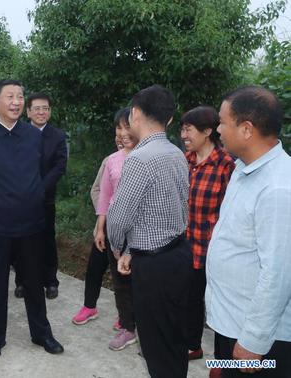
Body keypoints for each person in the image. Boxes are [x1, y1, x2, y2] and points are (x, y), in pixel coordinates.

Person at [0, 79, 63, 360]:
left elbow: (41, 173)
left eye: (20, 96)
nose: (17, 102)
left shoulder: (33, 136)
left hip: (31, 222)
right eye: (10, 96)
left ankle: (41, 333)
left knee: (34, 281)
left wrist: (32, 195)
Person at [107, 85, 192, 377]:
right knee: (174, 335)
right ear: (169, 120)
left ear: (134, 114)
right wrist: (132, 249)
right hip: (179, 253)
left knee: (155, 342)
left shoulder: (139, 160)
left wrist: (119, 249)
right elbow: (171, 208)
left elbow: (118, 218)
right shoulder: (176, 153)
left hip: (154, 266)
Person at [206, 86, 291, 377]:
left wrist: (252, 342)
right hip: (232, 323)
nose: (217, 129)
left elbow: (277, 273)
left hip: (260, 340)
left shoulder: (278, 188)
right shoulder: (245, 170)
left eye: (222, 121)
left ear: (246, 129)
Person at [72, 108, 138, 351]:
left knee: (138, 279)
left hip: (141, 229)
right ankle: (125, 323)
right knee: (117, 277)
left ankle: (135, 320)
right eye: (118, 128)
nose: (122, 133)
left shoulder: (148, 157)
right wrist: (101, 226)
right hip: (112, 226)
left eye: (127, 126)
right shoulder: (112, 160)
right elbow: (103, 193)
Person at [179, 106, 235, 362]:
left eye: (188, 129)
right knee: (185, 297)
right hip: (182, 245)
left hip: (210, 248)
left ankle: (207, 351)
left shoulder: (226, 166)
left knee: (206, 301)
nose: (183, 134)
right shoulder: (185, 160)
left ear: (207, 131)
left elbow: (231, 210)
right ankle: (189, 342)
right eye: (182, 129)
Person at [13, 93, 67, 300]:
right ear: (28, 112)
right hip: (20, 199)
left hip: (45, 199)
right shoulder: (17, 133)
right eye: (36, 108)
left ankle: (50, 282)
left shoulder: (58, 136)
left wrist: (39, 188)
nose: (41, 112)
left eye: (45, 108)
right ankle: (22, 282)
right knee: (22, 241)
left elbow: (59, 166)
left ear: (50, 111)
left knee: (46, 240)